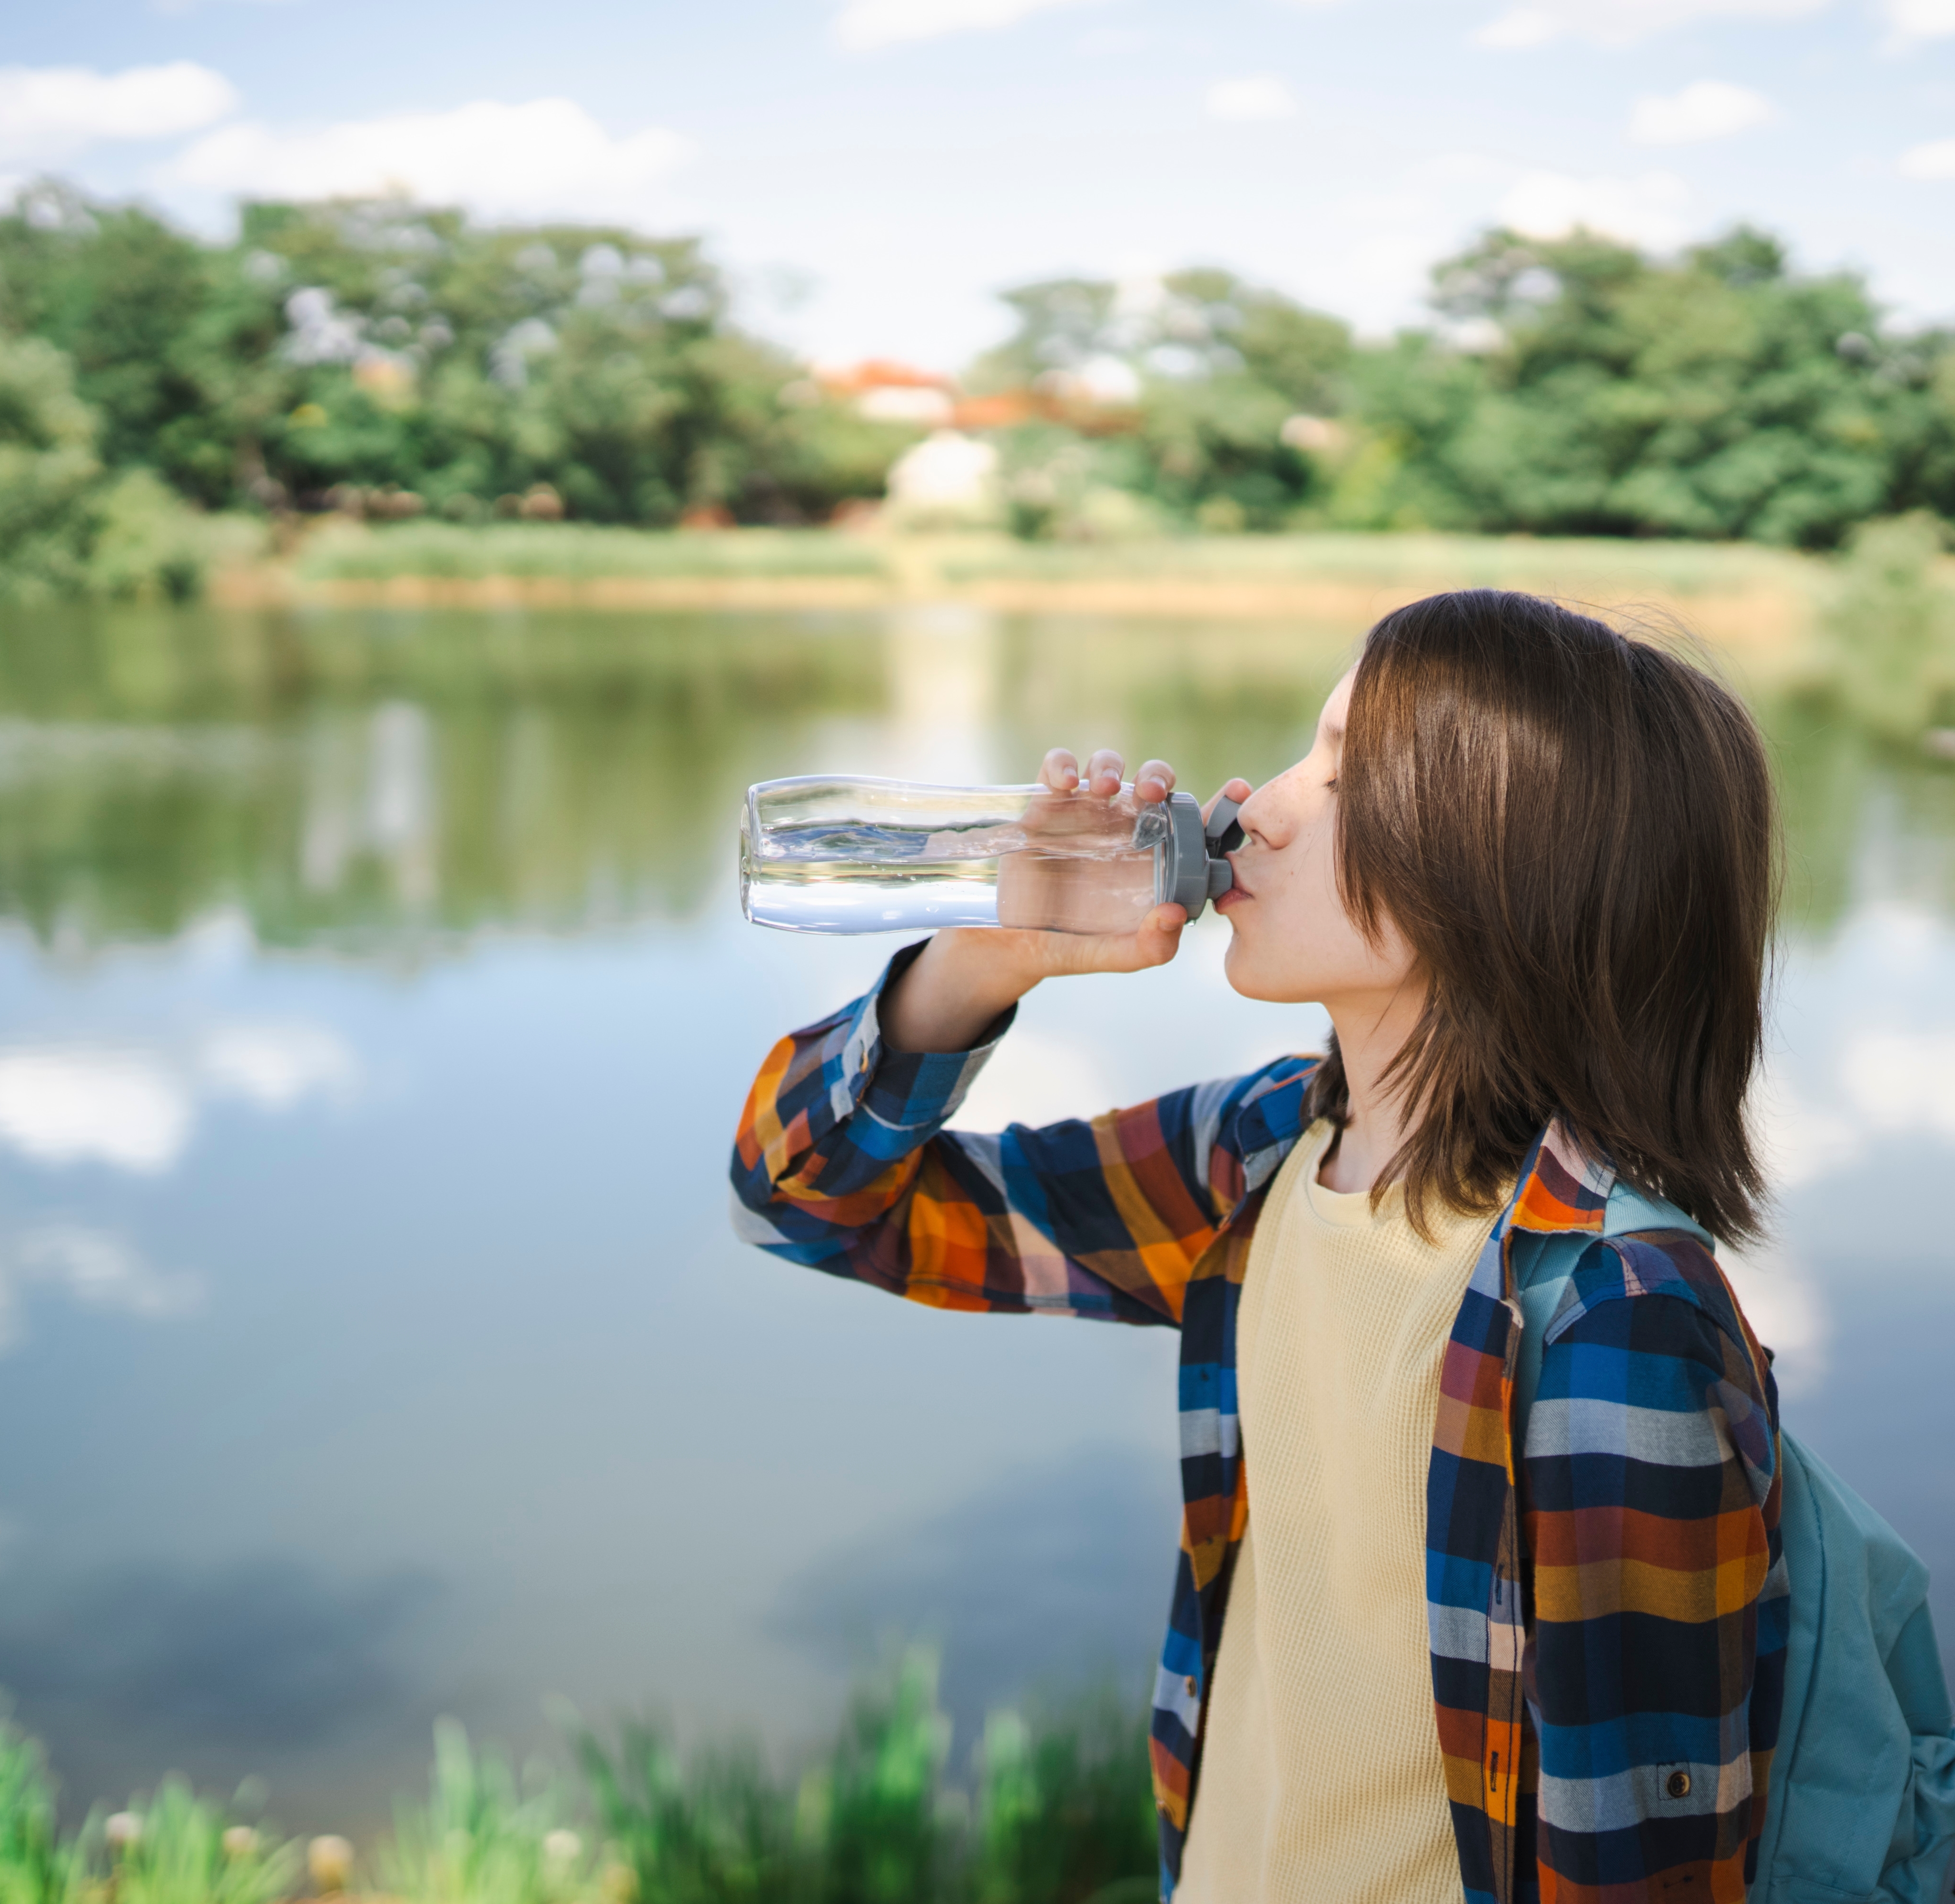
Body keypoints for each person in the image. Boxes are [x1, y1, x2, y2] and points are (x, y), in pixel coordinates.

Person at [731, 590, 1785, 1903]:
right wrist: (977, 965)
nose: (1257, 807)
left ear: (1508, 877)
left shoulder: (1608, 1316)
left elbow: (1643, 1874)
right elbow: (808, 1202)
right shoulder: (1264, 1152)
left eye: (1344, 776)